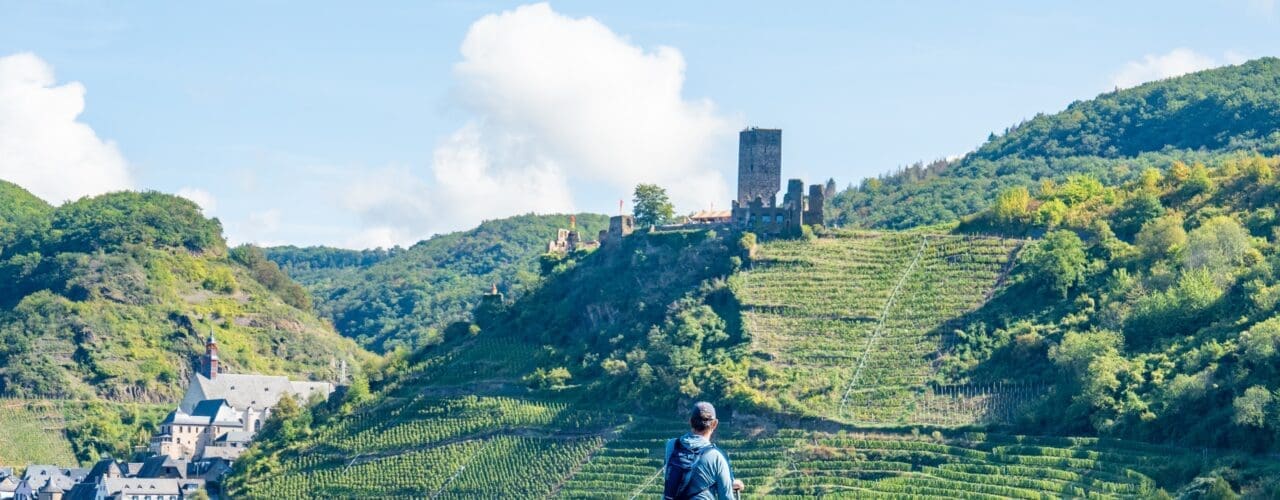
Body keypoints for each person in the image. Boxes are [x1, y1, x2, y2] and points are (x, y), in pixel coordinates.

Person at [662, 401, 744, 500]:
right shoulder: (717, 456)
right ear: (714, 424)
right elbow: (726, 497)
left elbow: (675, 477)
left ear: (690, 421)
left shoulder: (672, 445)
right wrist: (731, 484)